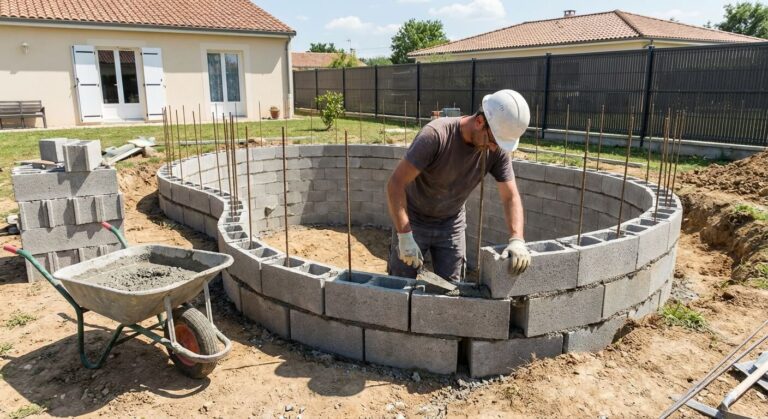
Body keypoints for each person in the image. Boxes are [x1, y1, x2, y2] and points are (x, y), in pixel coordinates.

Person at [385, 89, 531, 281]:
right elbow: (395, 184)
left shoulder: (496, 150)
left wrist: (517, 238)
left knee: (452, 291)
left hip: (450, 224)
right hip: (414, 219)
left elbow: (510, 196)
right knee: (400, 285)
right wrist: (404, 235)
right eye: (494, 141)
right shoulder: (436, 136)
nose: (495, 148)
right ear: (480, 121)